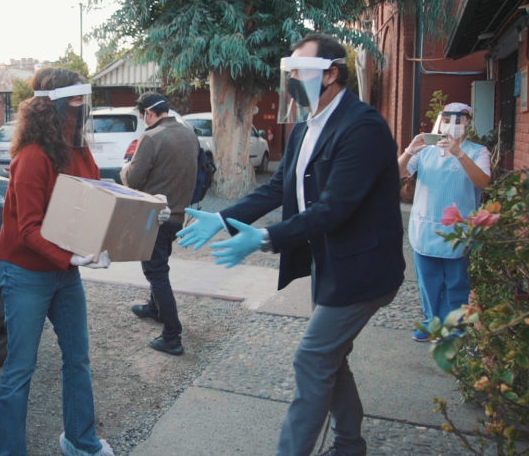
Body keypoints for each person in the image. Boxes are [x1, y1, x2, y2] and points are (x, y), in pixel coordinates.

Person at [177, 33, 405, 456]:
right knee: (330, 357)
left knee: (313, 358)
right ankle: (350, 445)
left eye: (300, 71)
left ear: (331, 74)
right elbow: (277, 188)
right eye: (291, 72)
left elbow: (334, 208)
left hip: (362, 270)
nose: (292, 81)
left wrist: (267, 238)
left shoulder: (363, 127)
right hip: (329, 263)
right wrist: (223, 218)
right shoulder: (304, 127)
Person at [0, 67, 115, 456]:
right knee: (20, 369)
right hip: (26, 272)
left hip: (64, 271)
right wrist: (70, 256)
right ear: (53, 106)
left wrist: (138, 210)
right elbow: (28, 228)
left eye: (84, 101)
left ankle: (80, 440)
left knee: (78, 358)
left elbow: (93, 195)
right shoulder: (32, 156)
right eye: (75, 100)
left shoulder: (78, 148)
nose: (82, 109)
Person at [398, 102, 490, 341]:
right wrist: (409, 151)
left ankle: (455, 325)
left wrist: (459, 154)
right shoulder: (426, 151)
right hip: (425, 227)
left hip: (458, 230)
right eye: (447, 120)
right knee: (428, 281)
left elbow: (482, 182)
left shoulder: (478, 152)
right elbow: (396, 173)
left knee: (456, 281)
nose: (452, 125)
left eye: (459, 120)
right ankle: (431, 323)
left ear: (468, 122)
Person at [119, 91, 197, 355]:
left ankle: (172, 335)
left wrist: (124, 169)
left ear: (149, 113)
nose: (144, 120)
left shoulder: (151, 137)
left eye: (143, 116)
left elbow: (133, 180)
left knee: (156, 272)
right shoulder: (188, 133)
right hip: (179, 214)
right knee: (160, 264)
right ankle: (155, 308)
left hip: (155, 217)